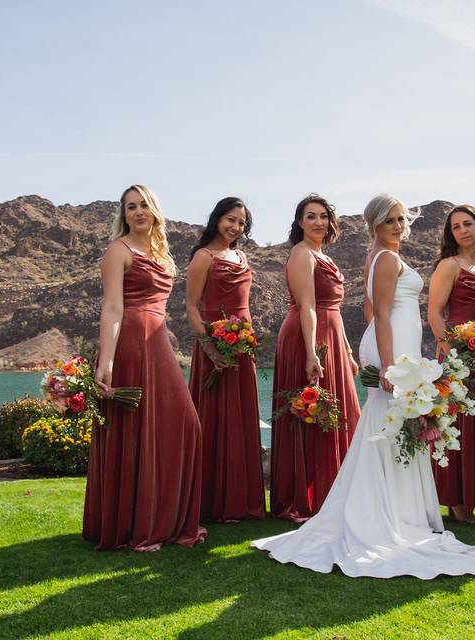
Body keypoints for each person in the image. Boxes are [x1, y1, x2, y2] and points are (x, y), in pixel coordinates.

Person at [252, 194, 475, 577]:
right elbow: (382, 313)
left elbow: (373, 311)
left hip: (397, 341)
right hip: (393, 345)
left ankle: (396, 510)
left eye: (402, 220)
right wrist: (388, 365)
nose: (399, 227)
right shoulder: (386, 257)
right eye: (390, 221)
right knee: (388, 424)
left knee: (391, 426)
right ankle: (380, 515)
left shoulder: (380, 255)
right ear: (375, 225)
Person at [83, 184, 206, 551]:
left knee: (185, 424)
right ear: (123, 215)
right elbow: (112, 309)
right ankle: (138, 529)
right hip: (130, 344)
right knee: (134, 431)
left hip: (158, 340)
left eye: (143, 206)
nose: (138, 212)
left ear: (154, 211)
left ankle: (162, 521)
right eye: (130, 207)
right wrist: (106, 360)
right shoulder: (117, 251)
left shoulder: (161, 254)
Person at [269, 194, 361, 522]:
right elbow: (307, 305)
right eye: (311, 216)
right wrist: (311, 353)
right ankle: (301, 500)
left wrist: (347, 353)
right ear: (299, 222)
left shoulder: (324, 256)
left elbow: (333, 311)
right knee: (310, 413)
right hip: (308, 337)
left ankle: (333, 492)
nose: (318, 222)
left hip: (332, 337)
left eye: (323, 216)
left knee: (339, 413)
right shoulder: (301, 253)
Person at [185, 197, 265, 522]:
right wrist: (210, 348)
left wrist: (243, 338)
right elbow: (191, 307)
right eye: (230, 219)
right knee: (215, 419)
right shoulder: (203, 257)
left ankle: (240, 500)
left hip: (242, 346)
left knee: (241, 419)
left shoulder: (241, 256)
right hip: (214, 347)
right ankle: (211, 501)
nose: (235, 227)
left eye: (241, 223)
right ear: (217, 218)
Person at [427, 204, 475, 523]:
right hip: (458, 354)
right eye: (456, 226)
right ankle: (456, 501)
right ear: (451, 234)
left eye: (467, 223)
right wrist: (448, 346)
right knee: (460, 425)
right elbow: (434, 311)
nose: (462, 230)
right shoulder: (449, 265)